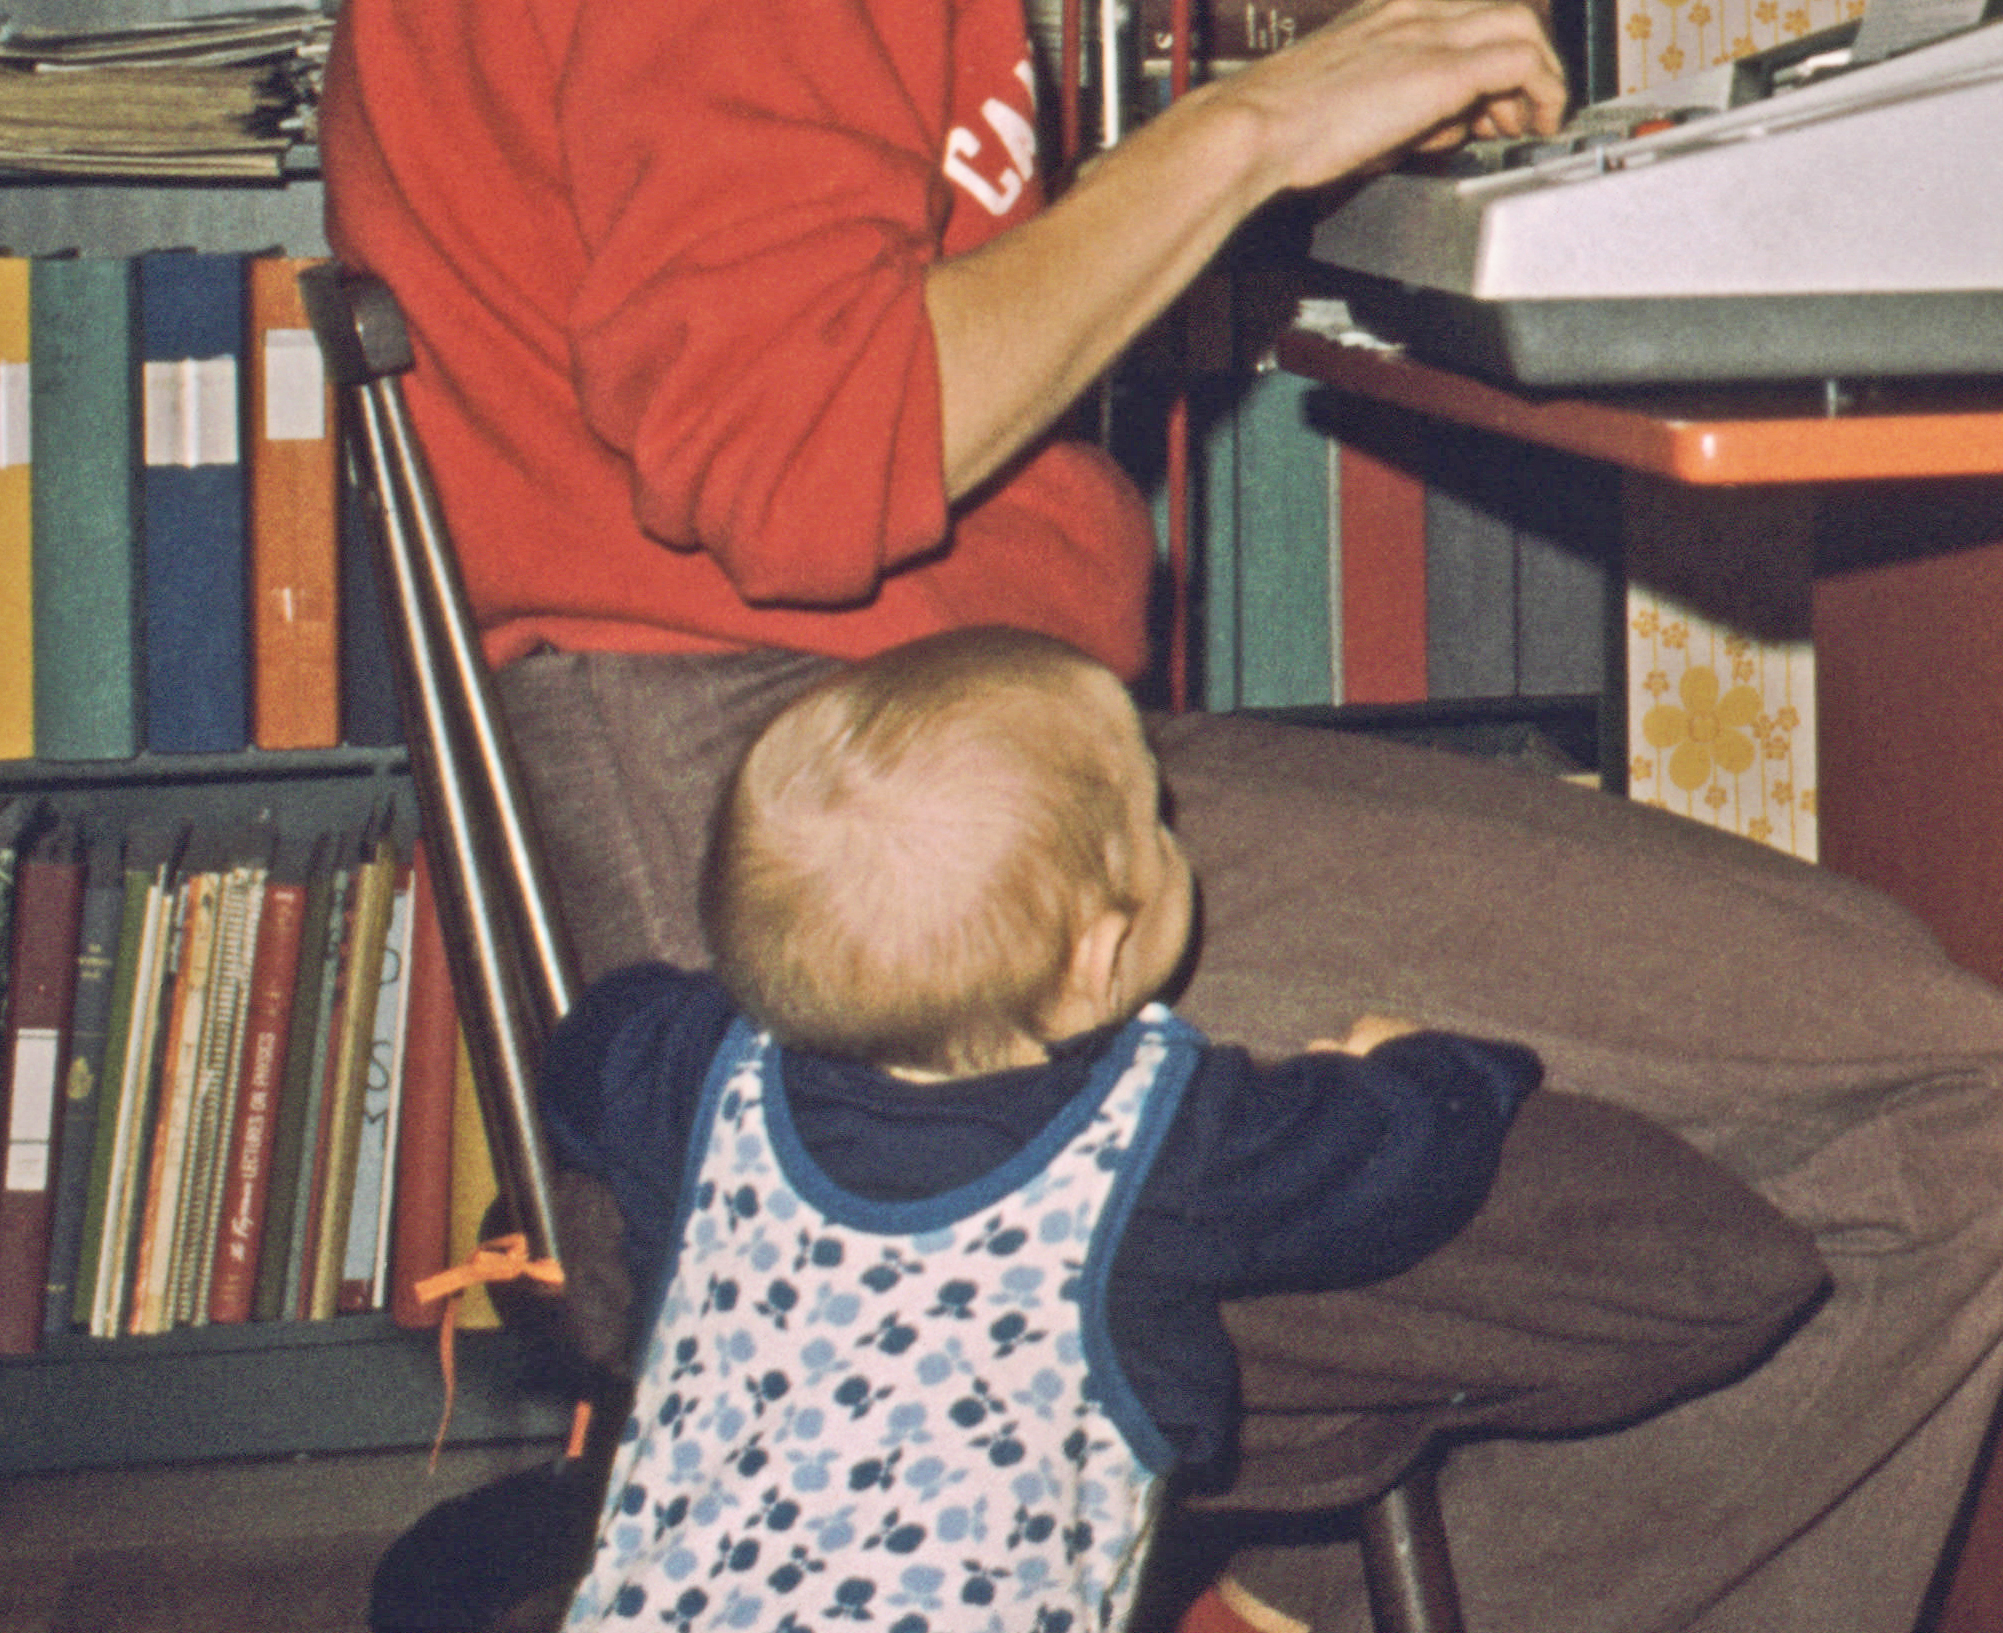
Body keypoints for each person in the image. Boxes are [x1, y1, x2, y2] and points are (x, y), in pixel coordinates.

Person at [324, 0, 2003, 1633]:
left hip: (908, 772)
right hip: (870, 852)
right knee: (1944, 1108)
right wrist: (1238, 136)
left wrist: (1214, 221)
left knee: (1845, 1084)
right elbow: (797, 455)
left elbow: (846, 320)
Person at [551, 628, 1545, 1631]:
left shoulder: (694, 1060)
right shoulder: (1150, 1135)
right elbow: (1391, 1172)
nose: (1177, 834)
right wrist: (1440, 1068)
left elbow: (583, 1056)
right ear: (1097, 955)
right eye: (1158, 822)